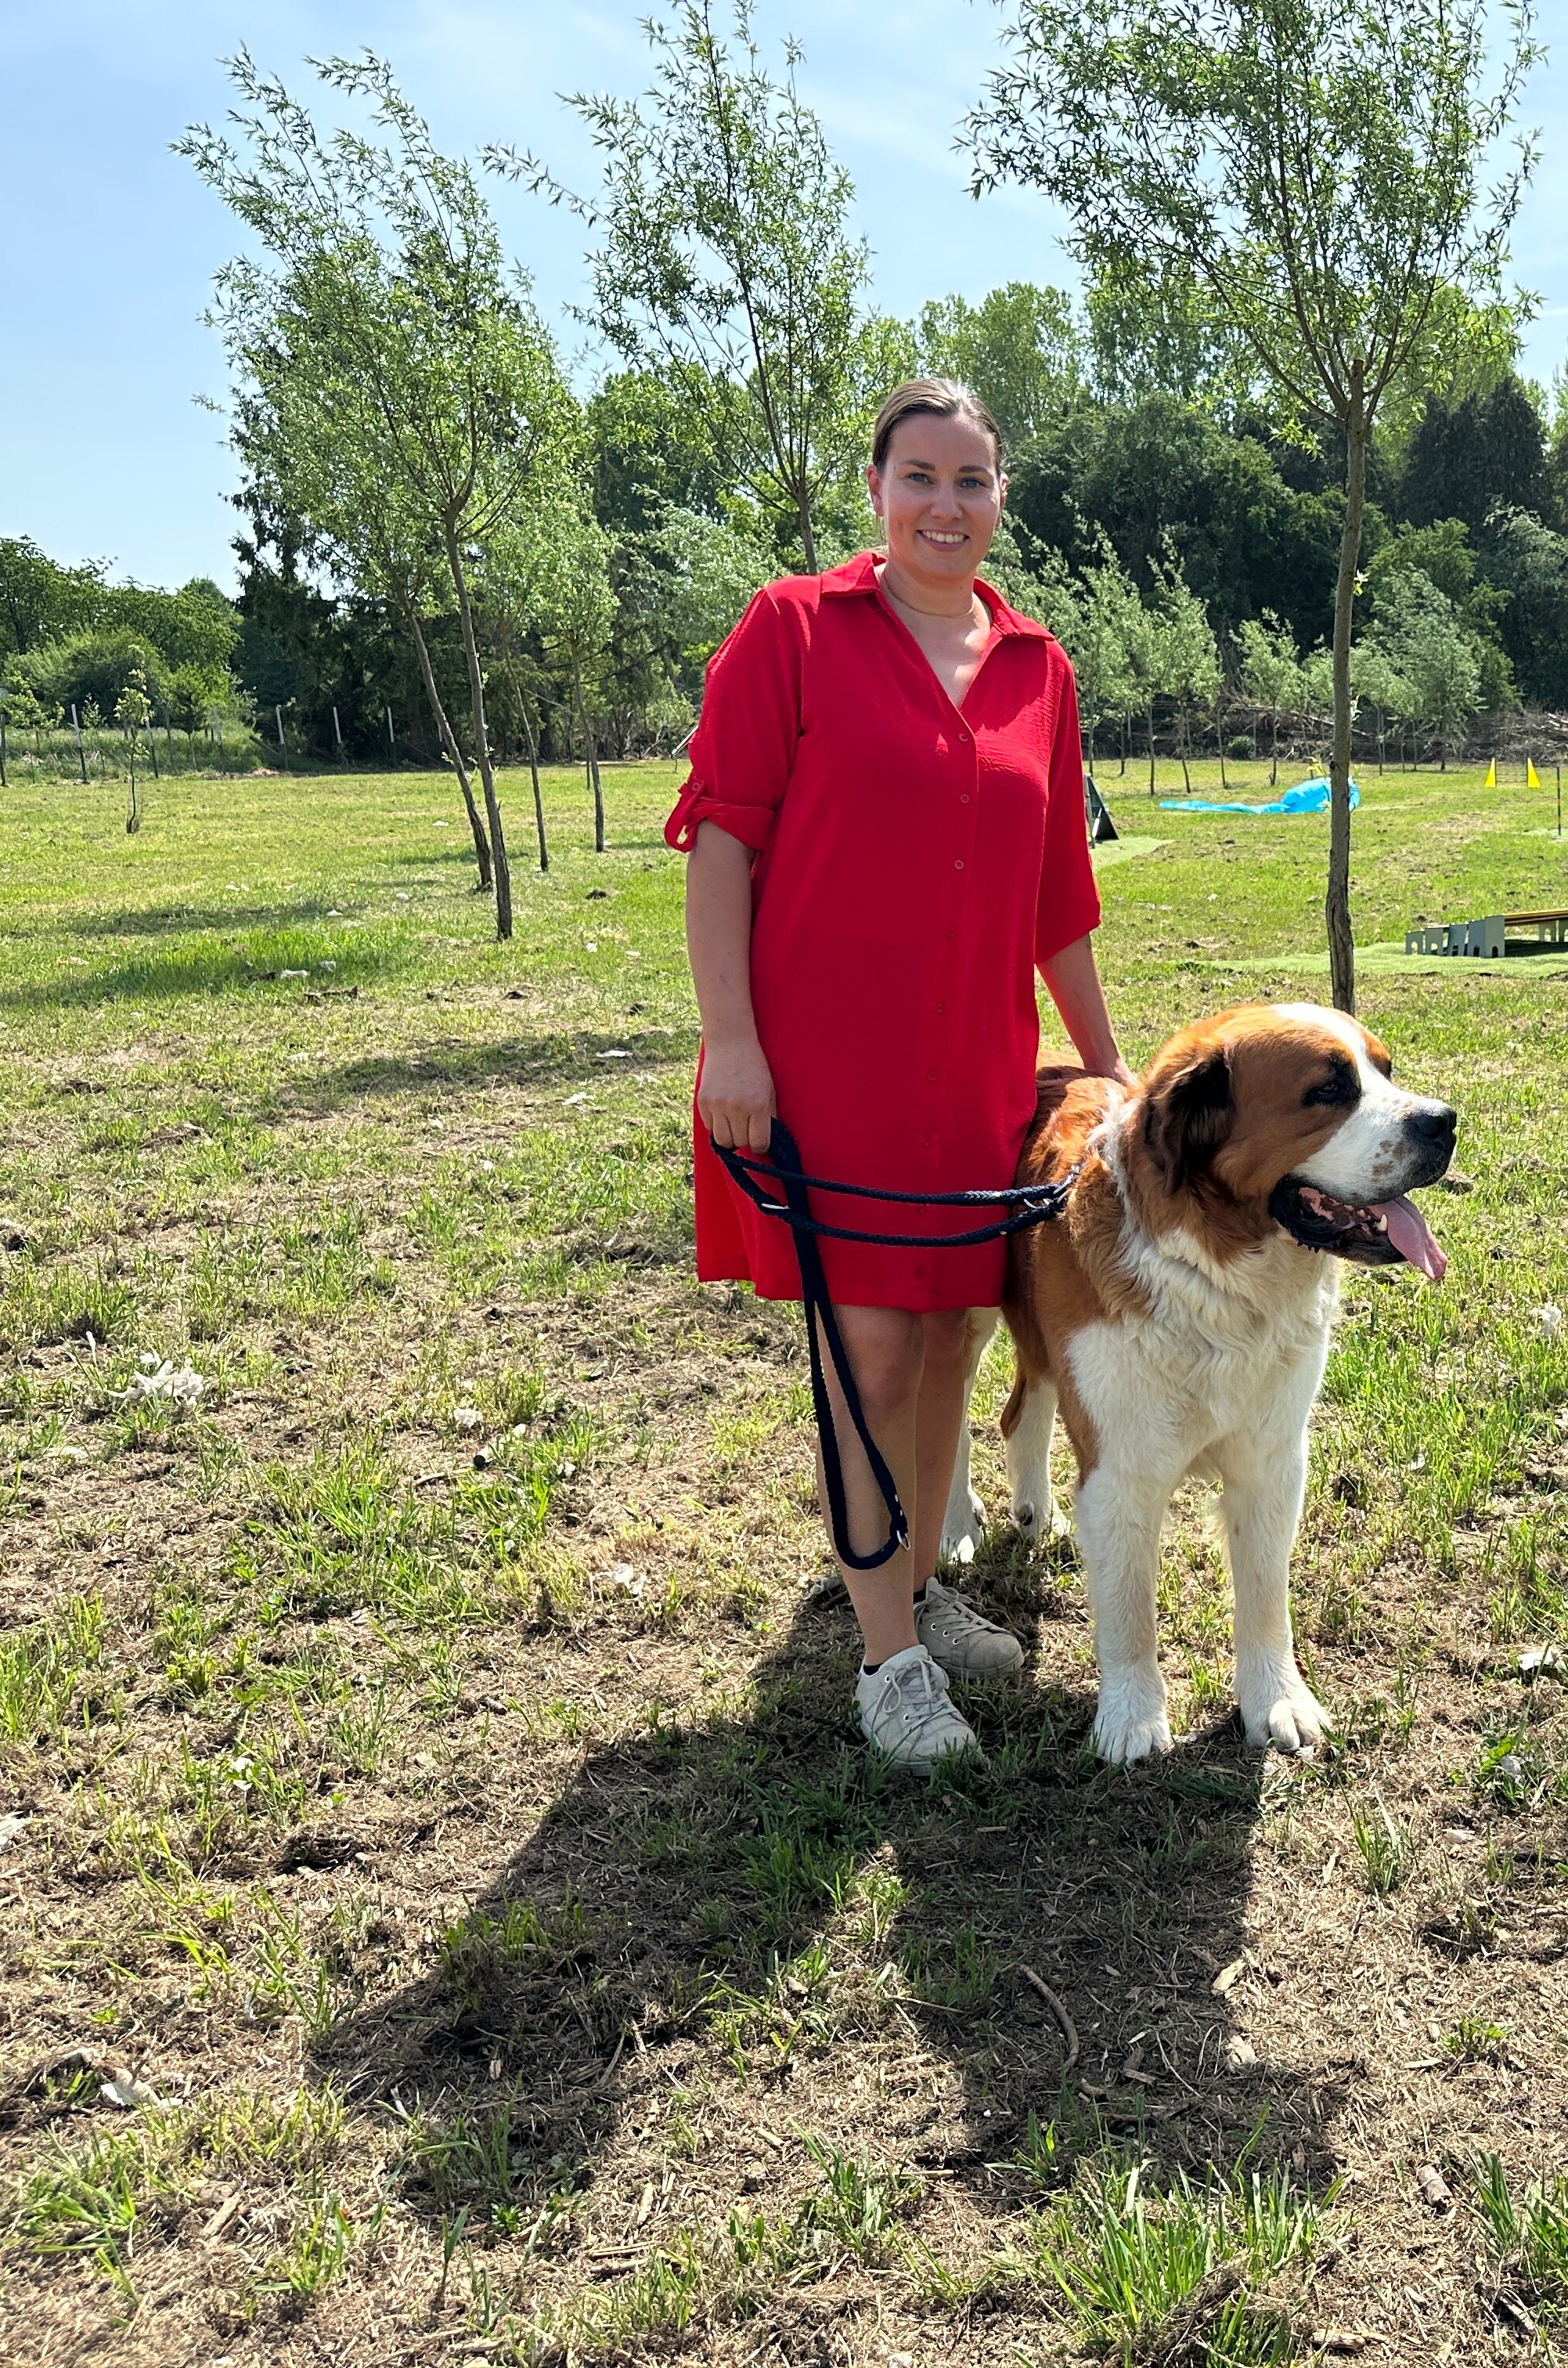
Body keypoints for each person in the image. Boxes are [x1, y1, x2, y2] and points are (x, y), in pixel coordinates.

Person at [668, 377, 1134, 1766]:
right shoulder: (793, 629)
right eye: (919, 476)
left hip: (977, 1072)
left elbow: (1058, 898)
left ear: (1000, 498)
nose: (945, 504)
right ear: (875, 490)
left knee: (946, 1339)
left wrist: (1109, 1068)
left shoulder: (1040, 668)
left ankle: (918, 1589)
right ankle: (886, 1665)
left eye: (971, 479)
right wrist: (731, 1041)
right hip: (827, 1067)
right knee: (868, 1350)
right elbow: (723, 841)